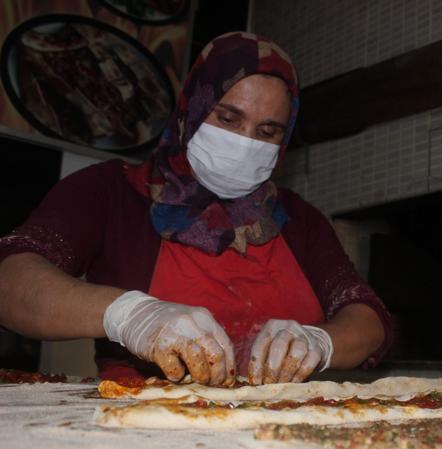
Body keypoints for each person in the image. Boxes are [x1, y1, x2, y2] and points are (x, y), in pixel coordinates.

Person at [0, 32, 392, 387]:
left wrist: (320, 341)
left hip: (280, 423)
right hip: (140, 422)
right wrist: (128, 314)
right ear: (192, 107)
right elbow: (11, 282)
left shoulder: (298, 219)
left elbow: (367, 319)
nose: (244, 142)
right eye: (227, 118)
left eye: (267, 131)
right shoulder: (111, 192)